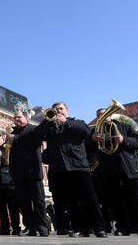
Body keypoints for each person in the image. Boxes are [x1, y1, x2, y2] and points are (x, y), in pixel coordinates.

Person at [40, 102, 107, 238]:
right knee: (71, 202)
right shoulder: (50, 128)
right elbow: (38, 136)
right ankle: (79, 228)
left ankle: (99, 228)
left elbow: (86, 133)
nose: (58, 111)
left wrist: (66, 123)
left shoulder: (77, 122)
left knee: (89, 198)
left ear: (67, 111)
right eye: (55, 110)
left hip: (78, 165)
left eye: (60, 109)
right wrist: (47, 122)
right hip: (60, 168)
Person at [91, 107, 138, 236]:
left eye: (104, 114)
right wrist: (93, 140)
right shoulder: (94, 131)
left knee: (137, 199)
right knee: (115, 201)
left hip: (128, 168)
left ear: (111, 115)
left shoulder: (124, 127)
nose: (101, 117)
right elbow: (88, 149)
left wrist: (124, 140)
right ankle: (122, 227)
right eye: (98, 115)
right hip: (109, 169)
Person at [7, 110, 49, 237]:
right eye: (15, 117)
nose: (16, 119)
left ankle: (42, 226)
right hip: (18, 173)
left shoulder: (33, 129)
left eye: (19, 117)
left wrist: (16, 138)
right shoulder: (13, 133)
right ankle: (29, 227)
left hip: (33, 171)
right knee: (23, 202)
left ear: (26, 118)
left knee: (38, 200)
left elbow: (32, 140)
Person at [0, 135, 21, 235]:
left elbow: (12, 162)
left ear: (3, 139)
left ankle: (16, 227)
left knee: (13, 207)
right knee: (1, 208)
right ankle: (4, 227)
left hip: (9, 181)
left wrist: (1, 158)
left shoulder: (8, 148)